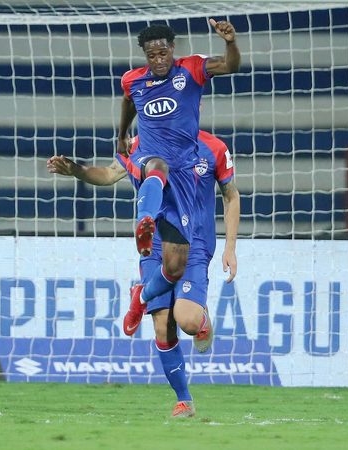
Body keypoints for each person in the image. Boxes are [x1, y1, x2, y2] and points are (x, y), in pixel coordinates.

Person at [47, 130, 239, 418]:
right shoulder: (138, 144)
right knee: (162, 325)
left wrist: (230, 248)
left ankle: (196, 315)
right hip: (156, 244)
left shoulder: (213, 148)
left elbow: (231, 196)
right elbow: (109, 174)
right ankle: (184, 400)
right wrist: (76, 170)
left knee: (187, 321)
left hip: (195, 245)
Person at [118, 20, 240, 337]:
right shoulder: (133, 79)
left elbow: (230, 66)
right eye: (151, 55)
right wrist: (122, 134)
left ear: (172, 48)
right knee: (156, 165)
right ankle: (144, 221)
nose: (158, 60)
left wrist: (230, 43)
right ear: (145, 55)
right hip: (150, 162)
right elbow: (128, 100)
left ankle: (141, 297)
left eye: (163, 53)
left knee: (183, 313)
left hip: (182, 178)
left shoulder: (192, 69)